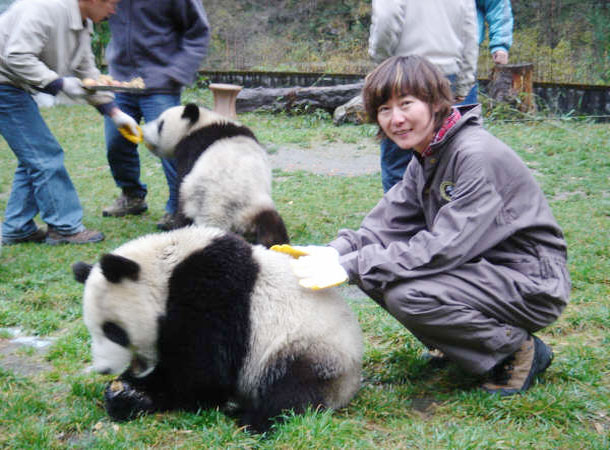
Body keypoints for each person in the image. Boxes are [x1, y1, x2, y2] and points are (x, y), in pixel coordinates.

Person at [289, 56, 571, 396]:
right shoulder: (429, 155)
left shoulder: (474, 154)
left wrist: (350, 266)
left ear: (436, 102)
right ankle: (462, 345)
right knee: (376, 268)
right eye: (384, 109)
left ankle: (514, 350)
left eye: (406, 104)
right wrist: (332, 252)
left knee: (406, 292)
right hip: (483, 270)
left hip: (531, 281)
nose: (397, 119)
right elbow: (382, 228)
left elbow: (444, 247)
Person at [0, 0, 139, 245]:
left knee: (34, 156)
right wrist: (60, 84)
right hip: (4, 85)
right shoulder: (44, 9)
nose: (114, 10)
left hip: (14, 86)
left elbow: (87, 72)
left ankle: (18, 227)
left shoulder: (82, 21)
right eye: (111, 3)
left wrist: (114, 112)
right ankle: (64, 227)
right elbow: (17, 56)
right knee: (45, 156)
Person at [101, 0, 210, 231]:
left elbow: (199, 32)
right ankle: (132, 196)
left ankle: (178, 209)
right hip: (121, 81)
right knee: (116, 143)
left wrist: (177, 73)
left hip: (161, 84)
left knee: (170, 149)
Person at [368, 0, 479, 193]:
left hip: (403, 78)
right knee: (457, 160)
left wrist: (384, 67)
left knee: (399, 166)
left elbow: (387, 17)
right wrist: (465, 82)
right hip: (448, 75)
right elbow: (469, 31)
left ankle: (401, 219)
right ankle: (448, 217)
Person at [466, 0, 514, 102]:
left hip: (465, 52)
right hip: (426, 51)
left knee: (463, 111)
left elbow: (497, 5)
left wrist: (500, 45)